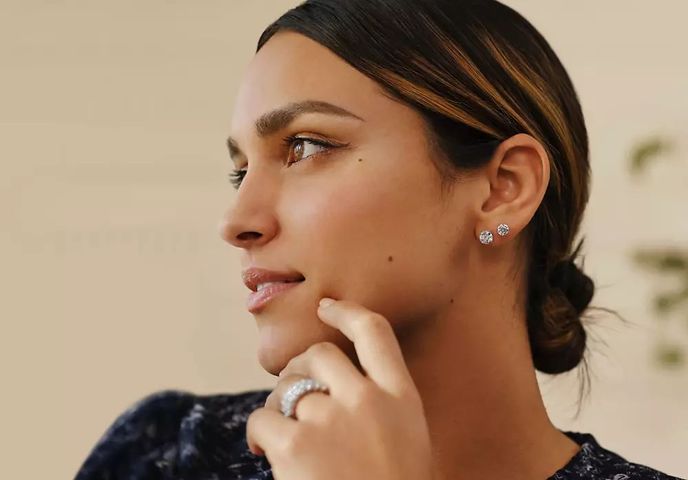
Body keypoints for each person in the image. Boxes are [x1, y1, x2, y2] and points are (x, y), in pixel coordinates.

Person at [74, 1, 684, 479]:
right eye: (240, 171)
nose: (237, 220)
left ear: (503, 189)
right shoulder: (167, 453)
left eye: (306, 146)